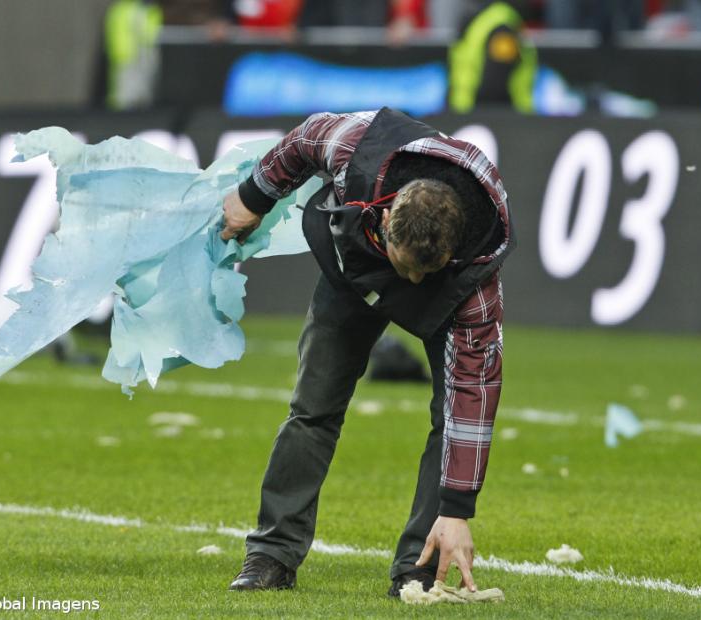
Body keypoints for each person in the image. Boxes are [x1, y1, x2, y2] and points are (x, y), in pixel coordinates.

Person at [219, 108, 514, 596]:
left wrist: (458, 510)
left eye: (422, 273)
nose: (409, 284)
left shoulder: (475, 274)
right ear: (383, 214)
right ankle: (270, 556)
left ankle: (420, 570)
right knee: (313, 407)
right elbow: (304, 138)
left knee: (450, 417)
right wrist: (253, 198)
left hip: (439, 293)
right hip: (354, 269)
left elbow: (474, 394)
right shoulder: (356, 149)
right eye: (404, 267)